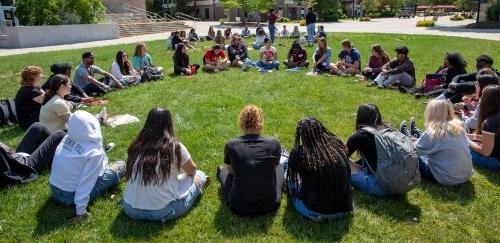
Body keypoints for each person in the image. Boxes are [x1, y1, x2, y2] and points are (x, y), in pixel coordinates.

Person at [122, 107, 208, 221]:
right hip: (163, 211)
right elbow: (192, 170)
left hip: (130, 209)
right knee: (199, 175)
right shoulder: (175, 147)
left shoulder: (136, 145)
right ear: (169, 124)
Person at [49, 110, 126, 223]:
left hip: (54, 190)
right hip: (71, 197)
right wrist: (81, 212)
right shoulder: (94, 152)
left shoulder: (67, 138)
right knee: (121, 165)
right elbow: (86, 183)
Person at [217, 105, 286, 216]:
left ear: (241, 122)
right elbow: (273, 168)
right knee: (280, 168)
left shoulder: (231, 144)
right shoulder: (274, 143)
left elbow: (231, 171)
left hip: (237, 206)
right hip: (269, 204)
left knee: (223, 170)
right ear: (260, 122)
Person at [286, 118, 353, 222]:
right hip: (344, 208)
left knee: (291, 181)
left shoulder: (300, 154)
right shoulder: (337, 146)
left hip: (315, 211)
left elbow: (292, 177)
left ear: (301, 135)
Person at [400, 100, 473, 186]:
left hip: (446, 177)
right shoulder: (459, 127)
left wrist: (407, 141)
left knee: (411, 156)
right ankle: (413, 136)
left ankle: (407, 137)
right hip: (465, 175)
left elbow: (413, 151)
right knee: (427, 150)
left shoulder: (434, 132)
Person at [0, 122, 66, 186]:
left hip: (16, 157)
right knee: (60, 135)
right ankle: (69, 158)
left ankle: (52, 158)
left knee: (37, 126)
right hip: (23, 166)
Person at [347, 104, 389, 196]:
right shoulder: (389, 130)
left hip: (381, 187)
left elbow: (342, 158)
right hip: (400, 182)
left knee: (345, 169)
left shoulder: (360, 136)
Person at [402, 53, 468, 98]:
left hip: (453, 90)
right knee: (425, 86)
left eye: (446, 60)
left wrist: (440, 86)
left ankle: (423, 95)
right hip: (446, 85)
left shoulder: (459, 71)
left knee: (442, 90)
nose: (445, 61)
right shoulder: (450, 68)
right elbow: (440, 76)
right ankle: (411, 90)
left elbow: (453, 84)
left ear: (452, 61)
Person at [469, 85, 500, 170]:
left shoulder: (490, 121)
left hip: (495, 162)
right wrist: (470, 136)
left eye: (482, 96)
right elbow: (493, 138)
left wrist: (466, 141)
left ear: (488, 101)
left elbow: (486, 152)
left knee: (461, 146)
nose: (480, 99)